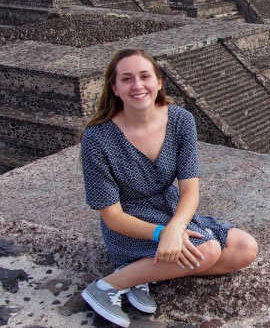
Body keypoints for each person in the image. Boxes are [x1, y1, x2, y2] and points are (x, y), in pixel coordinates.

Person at [80, 49, 258, 327]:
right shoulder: (97, 138)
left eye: (144, 76)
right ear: (114, 88)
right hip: (129, 223)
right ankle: (106, 287)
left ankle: (142, 273)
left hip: (172, 211)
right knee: (208, 251)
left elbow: (190, 190)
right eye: (127, 79)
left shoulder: (180, 121)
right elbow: (111, 216)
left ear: (159, 82)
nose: (137, 86)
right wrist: (161, 233)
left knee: (246, 248)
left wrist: (174, 229)